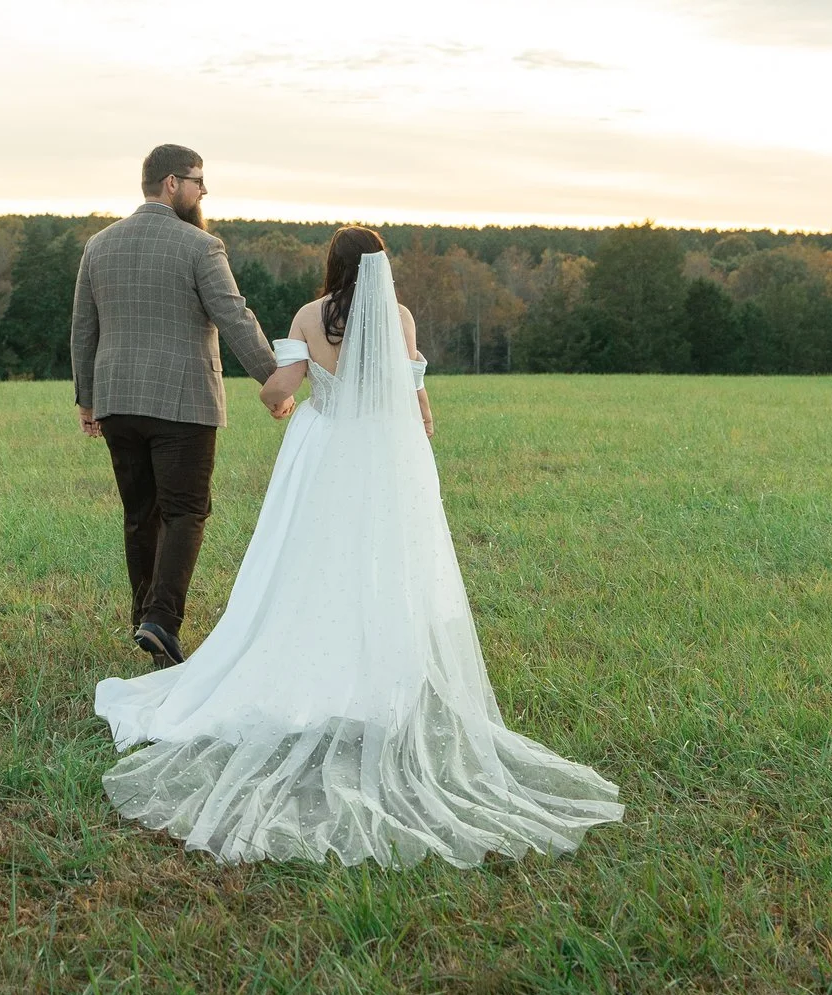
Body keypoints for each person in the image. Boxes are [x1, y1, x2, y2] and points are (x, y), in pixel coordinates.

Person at [92, 227, 623, 867]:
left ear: (333, 266)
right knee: (383, 565)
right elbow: (417, 401)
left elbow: (278, 388)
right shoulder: (398, 318)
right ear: (381, 269)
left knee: (312, 564)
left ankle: (310, 660)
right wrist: (411, 429)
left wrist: (280, 401)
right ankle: (379, 673)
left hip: (326, 450)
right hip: (383, 453)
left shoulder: (312, 317)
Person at [70, 144, 292, 669]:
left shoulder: (98, 246)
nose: (202, 191)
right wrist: (274, 380)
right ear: (172, 183)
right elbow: (234, 316)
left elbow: (84, 327)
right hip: (184, 400)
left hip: (118, 400)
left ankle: (143, 620)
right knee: (187, 510)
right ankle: (162, 622)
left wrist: (88, 399)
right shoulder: (201, 246)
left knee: (140, 514)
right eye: (198, 181)